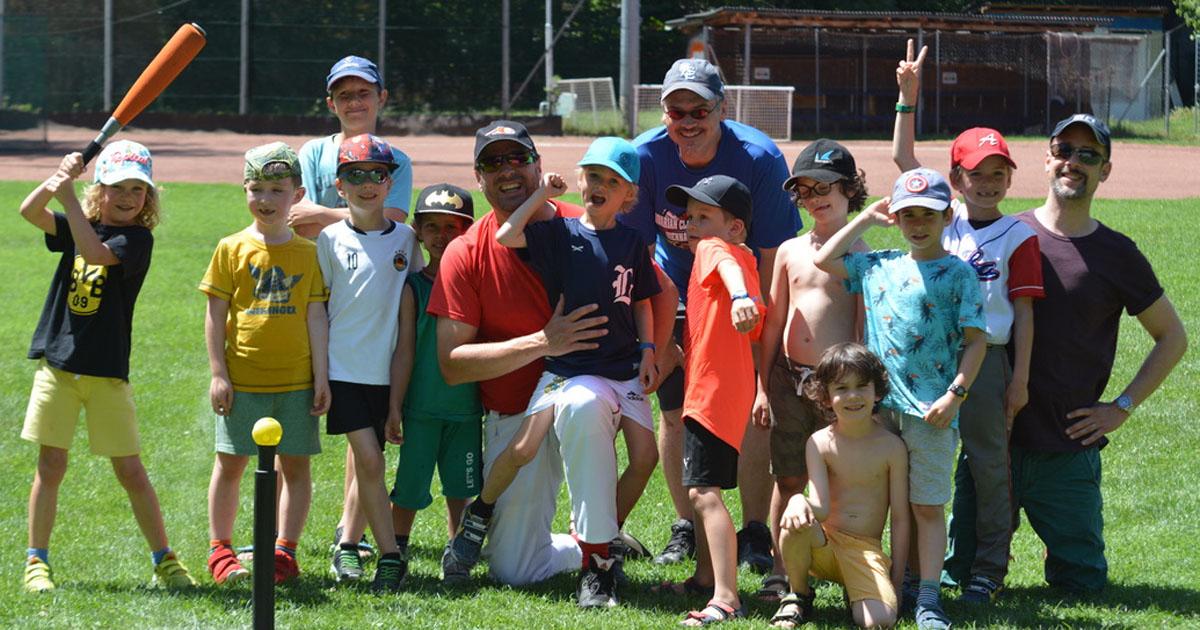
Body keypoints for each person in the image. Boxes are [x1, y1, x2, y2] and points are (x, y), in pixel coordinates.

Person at [429, 121, 677, 607]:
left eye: (517, 158)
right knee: (513, 570)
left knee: (589, 407)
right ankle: (574, 543)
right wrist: (544, 341)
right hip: (518, 408)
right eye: (492, 162)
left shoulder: (586, 222)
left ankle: (599, 551)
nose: (507, 170)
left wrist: (652, 353)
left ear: (539, 165)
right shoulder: (467, 252)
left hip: (596, 385)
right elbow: (453, 365)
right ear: (478, 177)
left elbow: (657, 294)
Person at [623, 57, 801, 572]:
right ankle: (688, 524)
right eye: (676, 110)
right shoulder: (646, 156)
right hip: (672, 294)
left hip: (742, 297)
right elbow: (636, 253)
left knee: (748, 412)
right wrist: (658, 335)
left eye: (699, 109)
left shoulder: (758, 157)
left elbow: (770, 253)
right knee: (677, 411)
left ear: (721, 108)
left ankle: (752, 531)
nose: (687, 120)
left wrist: (760, 324)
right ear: (664, 112)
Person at [891, 40, 1045, 604]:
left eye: (999, 172)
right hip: (929, 357)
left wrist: (1020, 379)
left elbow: (1023, 312)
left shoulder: (1020, 234)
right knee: (918, 464)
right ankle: (914, 568)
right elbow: (905, 165)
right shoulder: (942, 220)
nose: (989, 181)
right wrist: (908, 98)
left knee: (987, 466)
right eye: (978, 172)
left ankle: (987, 569)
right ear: (956, 178)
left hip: (990, 361)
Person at [1011, 114, 1186, 593]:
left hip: (1069, 445)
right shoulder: (1008, 233)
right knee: (962, 579)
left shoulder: (1117, 253)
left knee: (1083, 584)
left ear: (1105, 171)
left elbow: (1173, 337)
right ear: (1047, 158)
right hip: (996, 440)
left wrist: (1122, 407)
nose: (1074, 162)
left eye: (1089, 155)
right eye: (1065, 150)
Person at [18, 141, 197, 592]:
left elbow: (95, 253)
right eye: (118, 186)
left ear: (148, 199)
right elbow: (29, 211)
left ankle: (165, 559)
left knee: (130, 470)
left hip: (107, 373)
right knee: (51, 464)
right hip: (58, 367)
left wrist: (68, 199)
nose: (127, 196)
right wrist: (59, 177)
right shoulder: (84, 223)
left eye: (138, 189)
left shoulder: (136, 239)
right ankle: (36, 560)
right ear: (100, 190)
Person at [814, 168, 987, 630]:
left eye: (928, 214)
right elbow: (825, 259)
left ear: (948, 216)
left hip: (932, 412)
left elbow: (976, 342)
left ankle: (928, 595)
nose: (917, 223)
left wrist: (955, 395)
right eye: (907, 214)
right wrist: (867, 219)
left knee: (926, 505)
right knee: (884, 501)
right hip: (878, 412)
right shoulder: (878, 265)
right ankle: (895, 580)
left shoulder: (959, 274)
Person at [199, 142, 330, 585]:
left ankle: (284, 551)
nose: (266, 199)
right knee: (231, 464)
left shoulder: (309, 253)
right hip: (243, 380)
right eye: (256, 189)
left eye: (277, 189)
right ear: (244, 191)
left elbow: (316, 315)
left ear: (298, 194)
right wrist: (219, 373)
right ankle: (221, 550)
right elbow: (216, 313)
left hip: (295, 381)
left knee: (294, 467)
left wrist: (321, 376)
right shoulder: (230, 248)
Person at [751, 139, 868, 599]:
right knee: (788, 476)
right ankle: (782, 568)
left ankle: (837, 563)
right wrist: (763, 387)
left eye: (825, 188)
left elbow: (861, 327)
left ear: (850, 189)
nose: (815, 198)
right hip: (786, 379)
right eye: (804, 190)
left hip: (836, 386)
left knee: (836, 480)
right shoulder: (789, 250)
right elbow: (773, 321)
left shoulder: (859, 253)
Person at [317, 133, 425, 591]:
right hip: (343, 372)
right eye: (355, 175)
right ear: (340, 186)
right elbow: (317, 309)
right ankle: (389, 555)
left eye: (376, 175)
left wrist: (399, 397)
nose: (366, 184)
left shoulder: (406, 238)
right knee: (370, 461)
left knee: (371, 463)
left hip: (389, 377)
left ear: (389, 182)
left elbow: (411, 314)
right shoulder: (328, 239)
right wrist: (319, 375)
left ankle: (347, 546)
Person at [660, 175, 765, 625]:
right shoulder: (748, 260)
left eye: (704, 216)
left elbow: (721, 263)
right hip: (727, 390)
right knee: (705, 486)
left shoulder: (716, 251)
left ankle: (725, 597)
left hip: (711, 392)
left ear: (735, 227)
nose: (692, 225)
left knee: (704, 493)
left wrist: (739, 295)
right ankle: (705, 579)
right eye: (690, 216)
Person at [382, 183, 482, 584]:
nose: (443, 236)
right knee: (408, 489)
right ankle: (396, 553)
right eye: (433, 226)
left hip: (465, 409)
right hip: (421, 410)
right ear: (418, 231)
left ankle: (457, 554)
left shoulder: (476, 286)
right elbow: (404, 351)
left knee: (461, 489)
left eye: (454, 227)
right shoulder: (413, 287)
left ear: (470, 233)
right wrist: (395, 406)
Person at [771, 343, 910, 629]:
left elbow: (900, 518)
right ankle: (799, 593)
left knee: (878, 622)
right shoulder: (819, 443)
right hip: (824, 545)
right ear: (825, 396)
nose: (853, 396)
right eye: (841, 388)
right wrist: (798, 500)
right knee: (794, 520)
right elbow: (819, 508)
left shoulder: (892, 447)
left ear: (877, 391)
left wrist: (897, 583)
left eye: (862, 386)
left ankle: (858, 590)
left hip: (865, 552)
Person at [291, 55, 413, 238]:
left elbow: (391, 224)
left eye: (364, 93)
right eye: (344, 95)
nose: (354, 102)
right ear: (331, 104)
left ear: (381, 97)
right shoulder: (313, 152)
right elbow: (303, 226)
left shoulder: (397, 161)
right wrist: (371, 219)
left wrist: (322, 214)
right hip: (319, 264)